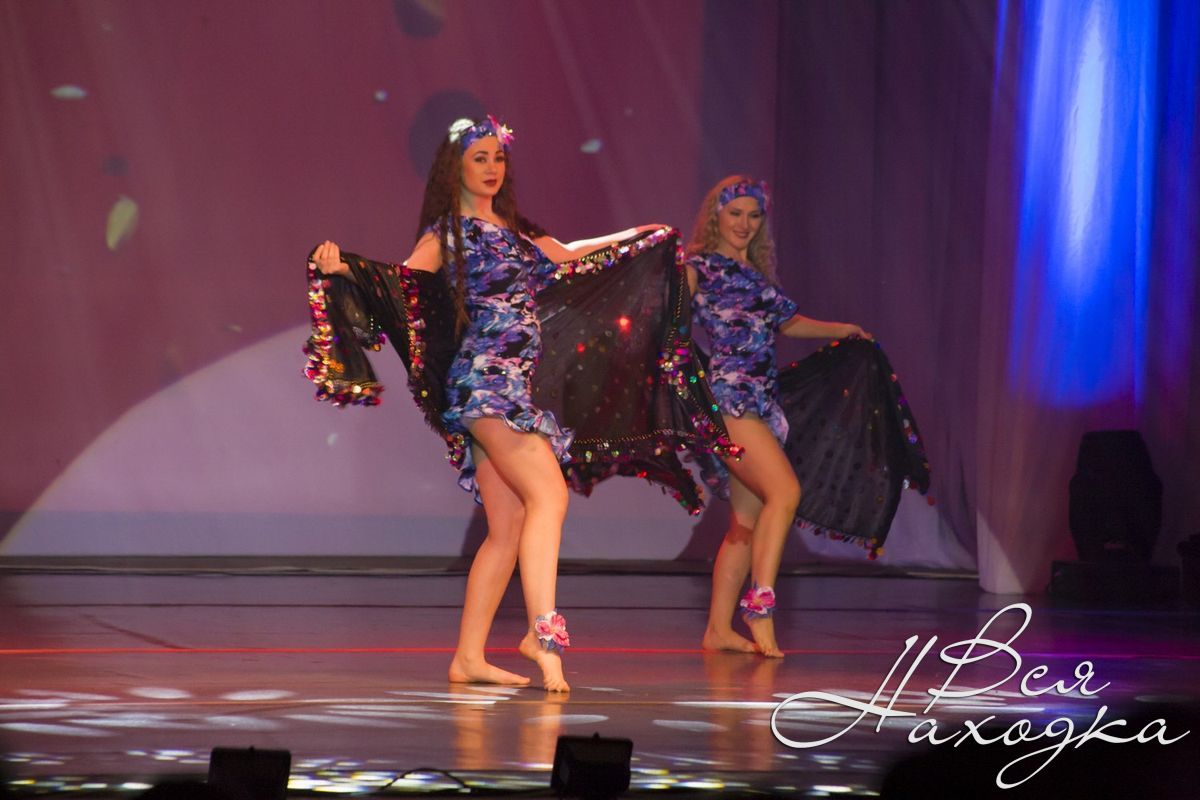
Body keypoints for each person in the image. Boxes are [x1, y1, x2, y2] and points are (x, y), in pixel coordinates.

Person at [310, 116, 671, 691]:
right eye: (479, 158)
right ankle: (541, 637)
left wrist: (633, 236)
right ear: (455, 167)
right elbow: (403, 285)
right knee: (549, 494)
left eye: (497, 157)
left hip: (511, 387)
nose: (492, 167)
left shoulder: (513, 230)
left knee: (508, 526)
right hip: (486, 384)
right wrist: (342, 267)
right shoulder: (448, 232)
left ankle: (469, 658)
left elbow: (566, 254)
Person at [684, 175, 871, 658]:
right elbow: (668, 323)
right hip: (730, 400)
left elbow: (788, 322)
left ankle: (717, 630)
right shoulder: (699, 268)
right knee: (785, 493)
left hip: (762, 402)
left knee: (745, 524)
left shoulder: (756, 274)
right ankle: (760, 608)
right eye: (735, 214)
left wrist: (844, 329)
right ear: (716, 216)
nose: (744, 223)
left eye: (753, 215)